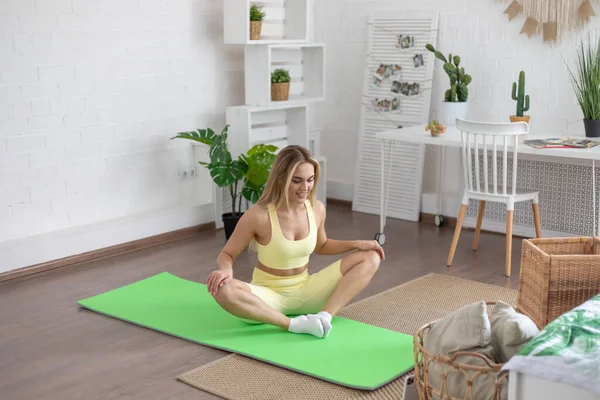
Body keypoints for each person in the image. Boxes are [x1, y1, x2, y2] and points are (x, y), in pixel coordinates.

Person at [206, 145, 385, 339]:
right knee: (223, 289)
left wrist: (358, 243)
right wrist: (225, 269)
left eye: (310, 179)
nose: (305, 188)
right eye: (297, 181)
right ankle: (293, 325)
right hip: (267, 298)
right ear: (281, 179)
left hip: (307, 292)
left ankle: (324, 317)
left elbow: (322, 246)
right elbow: (227, 254)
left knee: (371, 257)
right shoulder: (259, 215)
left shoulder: (316, 209)